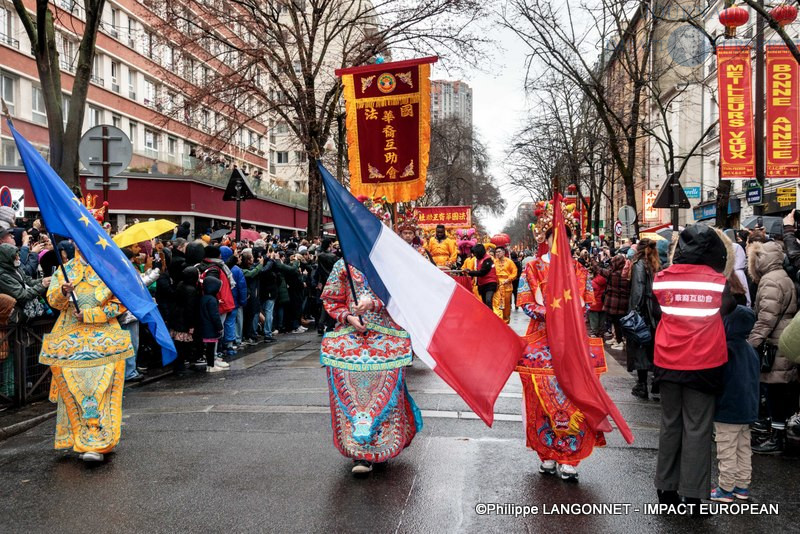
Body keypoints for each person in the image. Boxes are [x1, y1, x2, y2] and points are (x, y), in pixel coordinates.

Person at [516, 220, 607, 481]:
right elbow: (526, 303)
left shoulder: (578, 269)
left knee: (574, 396)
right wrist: (552, 314)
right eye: (555, 238)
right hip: (541, 340)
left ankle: (570, 458)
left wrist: (568, 314)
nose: (561, 243)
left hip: (572, 340)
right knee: (539, 396)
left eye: (565, 238)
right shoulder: (532, 267)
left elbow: (585, 303)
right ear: (547, 239)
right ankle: (546, 454)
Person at [652, 225, 734, 507]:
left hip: (667, 358)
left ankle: (666, 488)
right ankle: (695, 495)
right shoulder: (718, 282)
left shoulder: (662, 279)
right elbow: (730, 307)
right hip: (704, 361)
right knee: (698, 427)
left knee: (670, 423)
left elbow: (656, 310)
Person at [320, 259, 421, 475]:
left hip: (387, 340)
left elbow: (405, 296)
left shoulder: (388, 257)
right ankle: (360, 454)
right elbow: (330, 299)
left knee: (383, 398)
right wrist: (348, 317)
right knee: (354, 398)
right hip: (350, 342)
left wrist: (374, 303)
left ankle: (379, 449)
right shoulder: (343, 265)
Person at [39, 248, 134, 462]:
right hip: (69, 341)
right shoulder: (66, 269)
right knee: (74, 389)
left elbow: (122, 300)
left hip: (104, 340)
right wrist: (63, 291)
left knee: (99, 389)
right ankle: (76, 438)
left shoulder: (110, 266)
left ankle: (97, 442)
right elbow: (53, 300)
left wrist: (92, 314)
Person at [747, 239, 798, 455]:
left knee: (775, 390)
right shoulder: (783, 276)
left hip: (775, 343)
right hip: (784, 338)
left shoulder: (769, 281)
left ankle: (777, 439)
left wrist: (753, 342)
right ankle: (781, 435)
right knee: (783, 391)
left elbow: (767, 317)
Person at [711, 277, 759, 503]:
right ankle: (742, 485)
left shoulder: (726, 349)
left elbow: (719, 379)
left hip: (728, 409)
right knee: (743, 448)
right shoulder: (750, 350)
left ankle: (725, 488)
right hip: (747, 410)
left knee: (726, 449)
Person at [627, 238, 661, 400]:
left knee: (641, 347)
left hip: (644, 312)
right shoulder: (658, 265)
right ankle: (656, 382)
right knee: (654, 348)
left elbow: (638, 290)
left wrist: (633, 312)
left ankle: (642, 385)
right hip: (657, 311)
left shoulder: (639, 265)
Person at [169, 266, 201, 373]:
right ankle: (180, 367)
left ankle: (179, 366)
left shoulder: (181, 285)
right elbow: (190, 308)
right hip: (185, 321)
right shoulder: (191, 290)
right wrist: (191, 325)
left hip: (177, 318)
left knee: (178, 344)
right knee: (184, 346)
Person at [600, 255, 630, 351]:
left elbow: (600, 271)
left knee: (616, 322)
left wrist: (593, 261)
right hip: (624, 302)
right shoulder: (627, 273)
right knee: (618, 322)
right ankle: (618, 339)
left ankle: (619, 341)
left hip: (615, 303)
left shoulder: (614, 274)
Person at [199, 276, 228, 373]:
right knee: (211, 348)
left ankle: (210, 365)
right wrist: (219, 327)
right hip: (211, 328)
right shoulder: (212, 300)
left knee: (209, 348)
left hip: (204, 326)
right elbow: (215, 316)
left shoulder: (204, 298)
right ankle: (211, 366)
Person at [464, 244, 497, 309]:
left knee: (488, 301)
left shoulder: (488, 260)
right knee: (485, 303)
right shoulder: (478, 260)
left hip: (490, 283)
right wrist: (469, 271)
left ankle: (491, 317)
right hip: (482, 284)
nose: (474, 255)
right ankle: (487, 316)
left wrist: (470, 272)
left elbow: (482, 272)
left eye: (475, 253)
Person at [492, 246, 518, 323]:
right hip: (497, 285)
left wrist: (508, 279)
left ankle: (506, 321)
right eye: (496, 252)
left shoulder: (509, 262)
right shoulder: (494, 262)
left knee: (506, 305)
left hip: (507, 286)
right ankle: (498, 321)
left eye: (499, 252)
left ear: (503, 252)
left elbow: (514, 273)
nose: (497, 254)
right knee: (497, 304)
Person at [588, 263, 607, 337]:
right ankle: (601, 331)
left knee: (594, 319)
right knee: (602, 318)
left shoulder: (593, 282)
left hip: (594, 304)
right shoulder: (605, 280)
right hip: (603, 303)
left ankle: (594, 332)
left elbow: (592, 294)